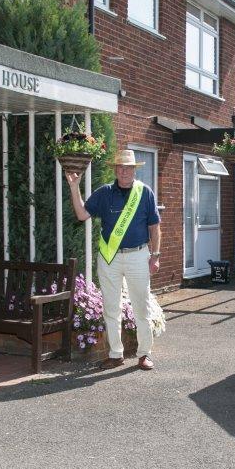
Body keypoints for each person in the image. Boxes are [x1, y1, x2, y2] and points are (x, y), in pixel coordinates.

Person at [67, 148, 161, 370]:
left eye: (128, 167)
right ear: (116, 169)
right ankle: (115, 354)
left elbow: (155, 227)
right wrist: (73, 186)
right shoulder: (104, 192)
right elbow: (81, 215)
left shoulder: (145, 193)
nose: (124, 171)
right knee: (110, 308)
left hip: (138, 256)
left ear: (134, 170)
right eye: (120, 167)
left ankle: (144, 354)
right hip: (110, 258)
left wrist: (155, 256)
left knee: (142, 307)